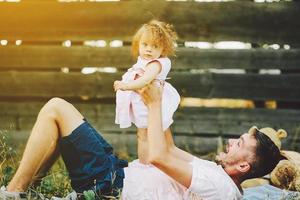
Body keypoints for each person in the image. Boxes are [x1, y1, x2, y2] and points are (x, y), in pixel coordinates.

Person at [0, 83, 286, 200]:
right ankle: (22, 190)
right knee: (60, 121)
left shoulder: (220, 187)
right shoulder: (218, 175)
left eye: (239, 144)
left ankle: (12, 194)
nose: (232, 141)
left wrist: (155, 103)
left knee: (56, 108)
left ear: (244, 166)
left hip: (111, 185)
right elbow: (170, 149)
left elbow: (159, 156)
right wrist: (162, 102)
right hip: (119, 171)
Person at [113, 20, 180, 163]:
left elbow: (145, 80)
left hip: (148, 105)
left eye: (155, 46)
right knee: (147, 135)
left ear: (163, 49)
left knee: (144, 136)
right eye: (145, 45)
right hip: (144, 103)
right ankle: (154, 162)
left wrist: (125, 85)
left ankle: (145, 166)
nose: (148, 49)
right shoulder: (144, 60)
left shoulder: (156, 63)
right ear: (139, 44)